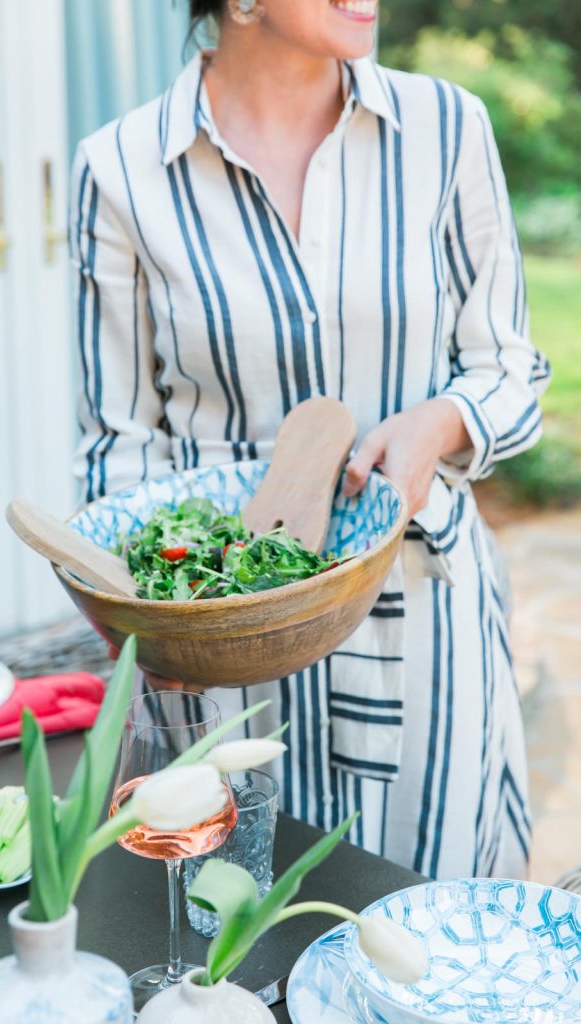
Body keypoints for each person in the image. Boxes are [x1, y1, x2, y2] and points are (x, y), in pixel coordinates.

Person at [70, 0, 550, 879]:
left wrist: (432, 425)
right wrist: (144, 627)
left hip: (420, 614)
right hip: (220, 645)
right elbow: (117, 444)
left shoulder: (445, 129)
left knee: (422, 945)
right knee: (234, 939)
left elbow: (508, 371)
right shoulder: (121, 170)